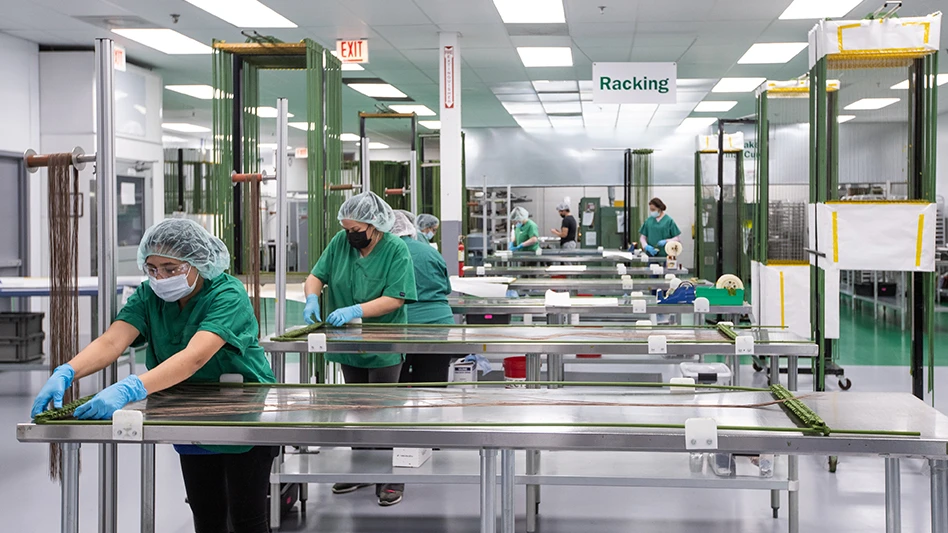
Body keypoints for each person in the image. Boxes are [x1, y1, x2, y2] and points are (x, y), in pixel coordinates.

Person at [31, 218, 277, 533]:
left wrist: (131, 387)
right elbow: (112, 341)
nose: (160, 277)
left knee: (248, 519)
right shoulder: (149, 296)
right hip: (188, 411)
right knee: (207, 515)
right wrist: (68, 371)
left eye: (171, 268)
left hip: (245, 412)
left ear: (197, 263)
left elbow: (194, 357)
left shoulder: (227, 294)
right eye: (152, 268)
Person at [302, 191, 417, 506]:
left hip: (384, 343)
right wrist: (312, 295)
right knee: (359, 410)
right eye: (346, 229)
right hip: (349, 343)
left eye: (356, 230)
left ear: (375, 225)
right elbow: (316, 275)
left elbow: (396, 297)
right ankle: (362, 470)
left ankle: (390, 480)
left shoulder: (395, 250)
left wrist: (355, 310)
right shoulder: (340, 243)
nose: (350, 235)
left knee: (383, 414)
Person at [392, 210, 456, 383]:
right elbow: (446, 288)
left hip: (400, 329)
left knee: (397, 390)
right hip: (438, 326)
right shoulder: (430, 251)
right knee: (433, 387)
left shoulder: (386, 253)